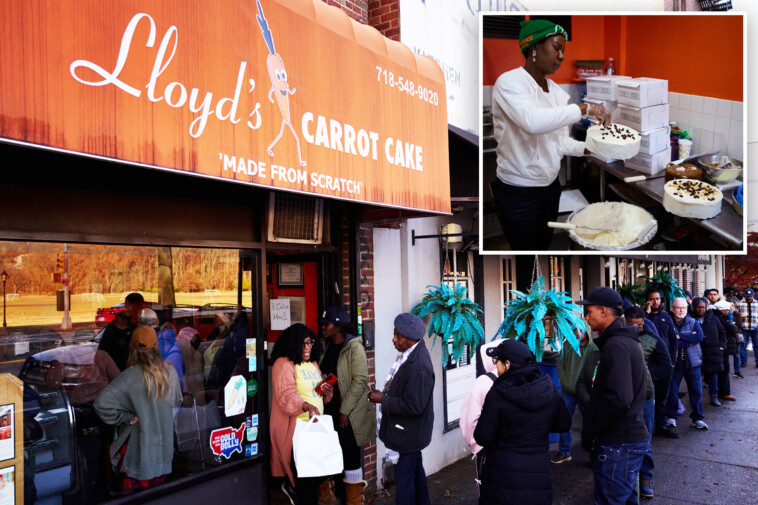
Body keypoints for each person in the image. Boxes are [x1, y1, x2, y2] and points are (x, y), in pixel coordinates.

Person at [490, 19, 612, 250]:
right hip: (518, 192)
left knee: (543, 245)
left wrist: (591, 148)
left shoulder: (556, 91)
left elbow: (560, 141)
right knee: (526, 253)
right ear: (533, 48)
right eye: (556, 48)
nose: (562, 57)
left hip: (549, 189)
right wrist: (585, 108)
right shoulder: (509, 83)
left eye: (563, 51)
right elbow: (533, 122)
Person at [473, 339, 569, 505]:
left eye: (497, 362)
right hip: (538, 474)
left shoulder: (498, 393)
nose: (496, 367)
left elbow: (482, 437)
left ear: (507, 364)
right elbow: (563, 424)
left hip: (502, 475)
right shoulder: (548, 388)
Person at [577, 287, 648, 505]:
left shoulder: (617, 345)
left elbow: (619, 398)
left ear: (605, 311)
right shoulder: (619, 341)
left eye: (589, 311)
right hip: (624, 441)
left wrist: (593, 429)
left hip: (619, 442)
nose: (586, 317)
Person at [94, 324, 182, 495]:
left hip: (137, 460)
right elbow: (175, 405)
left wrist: (126, 417)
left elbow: (100, 404)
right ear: (156, 346)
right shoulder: (170, 371)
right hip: (163, 457)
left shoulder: (129, 377)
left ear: (132, 349)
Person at [367, 313, 434, 505]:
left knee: (404, 484)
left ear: (411, 339)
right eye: (394, 334)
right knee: (416, 476)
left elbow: (415, 405)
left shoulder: (419, 366)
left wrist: (383, 400)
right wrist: (384, 395)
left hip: (408, 434)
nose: (394, 339)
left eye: (398, 336)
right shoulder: (410, 354)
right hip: (408, 433)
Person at [317, 307, 376, 505]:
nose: (323, 327)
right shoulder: (324, 346)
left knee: (350, 456)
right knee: (333, 456)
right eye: (322, 324)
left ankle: (353, 501)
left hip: (348, 414)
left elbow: (360, 381)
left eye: (327, 324)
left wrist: (344, 411)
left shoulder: (353, 347)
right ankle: (338, 497)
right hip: (328, 412)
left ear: (339, 327)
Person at [270, 323, 334, 505]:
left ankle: (292, 488)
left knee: (315, 476)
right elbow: (286, 397)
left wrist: (326, 393)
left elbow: (315, 393)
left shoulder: (312, 363)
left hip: (315, 428)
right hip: (297, 431)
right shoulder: (283, 364)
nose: (307, 347)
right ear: (292, 344)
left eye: (310, 342)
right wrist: (306, 406)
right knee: (306, 482)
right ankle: (292, 488)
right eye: (303, 343)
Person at [625, 305, 671, 500]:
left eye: (638, 325)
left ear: (643, 323)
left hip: (645, 397)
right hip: (623, 396)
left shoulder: (653, 339)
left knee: (644, 439)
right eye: (630, 325)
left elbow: (666, 365)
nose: (634, 329)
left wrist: (647, 376)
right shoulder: (617, 338)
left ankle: (645, 478)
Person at [460, 340, 501, 493]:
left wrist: (474, 443)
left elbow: (469, 418)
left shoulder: (483, 382)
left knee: (488, 490)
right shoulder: (525, 378)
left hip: (487, 447)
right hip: (515, 448)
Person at [552, 325, 597, 465]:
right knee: (565, 422)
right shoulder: (567, 345)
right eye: (574, 330)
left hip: (587, 392)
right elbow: (560, 365)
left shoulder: (594, 348)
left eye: (580, 329)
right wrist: (565, 383)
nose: (578, 332)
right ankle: (565, 452)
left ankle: (594, 454)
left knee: (592, 422)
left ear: (587, 331)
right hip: (568, 391)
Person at [666, 297, 707, 431]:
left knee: (696, 392)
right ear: (672, 309)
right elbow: (668, 341)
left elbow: (699, 337)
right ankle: (671, 417)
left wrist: (678, 337)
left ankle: (698, 419)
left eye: (684, 307)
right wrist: (688, 339)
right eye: (678, 308)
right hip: (674, 363)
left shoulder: (693, 322)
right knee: (672, 392)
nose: (681, 310)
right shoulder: (667, 321)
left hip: (693, 363)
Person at [644, 289, 679, 439]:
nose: (655, 302)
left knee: (662, 397)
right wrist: (646, 312)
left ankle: (661, 425)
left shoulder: (666, 318)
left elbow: (673, 340)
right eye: (652, 299)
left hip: (664, 364)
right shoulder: (644, 318)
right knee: (647, 397)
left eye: (657, 299)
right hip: (648, 364)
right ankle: (646, 429)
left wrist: (672, 362)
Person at [691, 297, 726, 407]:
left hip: (712, 351)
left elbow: (722, 333)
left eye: (702, 307)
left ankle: (713, 396)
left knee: (713, 375)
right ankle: (696, 399)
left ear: (706, 307)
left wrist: (721, 346)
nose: (700, 309)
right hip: (696, 351)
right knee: (696, 376)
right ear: (694, 307)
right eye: (698, 307)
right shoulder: (690, 319)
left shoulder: (714, 319)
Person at [98, 292, 144, 371]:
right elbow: (105, 350)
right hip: (118, 370)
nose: (127, 308)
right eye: (127, 305)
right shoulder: (119, 323)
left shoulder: (140, 325)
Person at [713, 300, 737, 402]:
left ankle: (722, 391)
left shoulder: (718, 316)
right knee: (723, 370)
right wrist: (734, 326)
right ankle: (723, 392)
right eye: (727, 309)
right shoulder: (719, 317)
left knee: (723, 370)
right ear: (722, 310)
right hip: (721, 348)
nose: (728, 311)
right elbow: (731, 329)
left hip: (722, 347)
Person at [737, 288, 758, 367]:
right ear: (744, 295)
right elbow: (734, 314)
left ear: (753, 295)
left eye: (751, 296)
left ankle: (757, 362)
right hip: (743, 327)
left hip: (755, 327)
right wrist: (740, 316)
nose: (749, 298)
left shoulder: (757, 303)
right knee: (743, 345)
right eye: (747, 296)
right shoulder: (739, 303)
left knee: (757, 345)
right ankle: (743, 362)